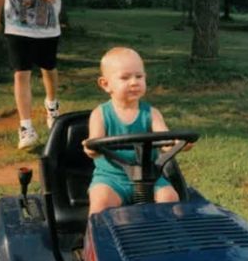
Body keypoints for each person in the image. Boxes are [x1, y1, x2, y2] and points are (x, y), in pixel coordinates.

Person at [83, 47, 193, 216]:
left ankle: (168, 240)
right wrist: (90, 148)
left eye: (139, 76)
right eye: (125, 77)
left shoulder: (152, 114)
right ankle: (95, 241)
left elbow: (166, 142)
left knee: (169, 198)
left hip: (150, 177)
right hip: (112, 178)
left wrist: (179, 144)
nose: (134, 82)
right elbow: (94, 143)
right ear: (105, 84)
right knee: (100, 203)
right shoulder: (100, 114)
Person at [0, 0, 66, 149]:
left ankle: (51, 106)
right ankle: (26, 128)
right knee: (21, 73)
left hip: (47, 27)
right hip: (16, 27)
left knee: (49, 68)